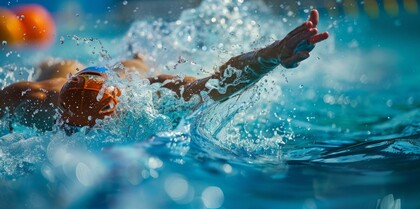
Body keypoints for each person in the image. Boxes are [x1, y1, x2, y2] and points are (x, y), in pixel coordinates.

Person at [0, 9, 328, 132]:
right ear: (59, 111)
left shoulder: (154, 94)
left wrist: (273, 54)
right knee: (52, 65)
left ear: (114, 114)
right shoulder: (29, 97)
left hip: (132, 72)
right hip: (61, 76)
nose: (73, 135)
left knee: (137, 63)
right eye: (69, 126)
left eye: (81, 129)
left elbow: (218, 83)